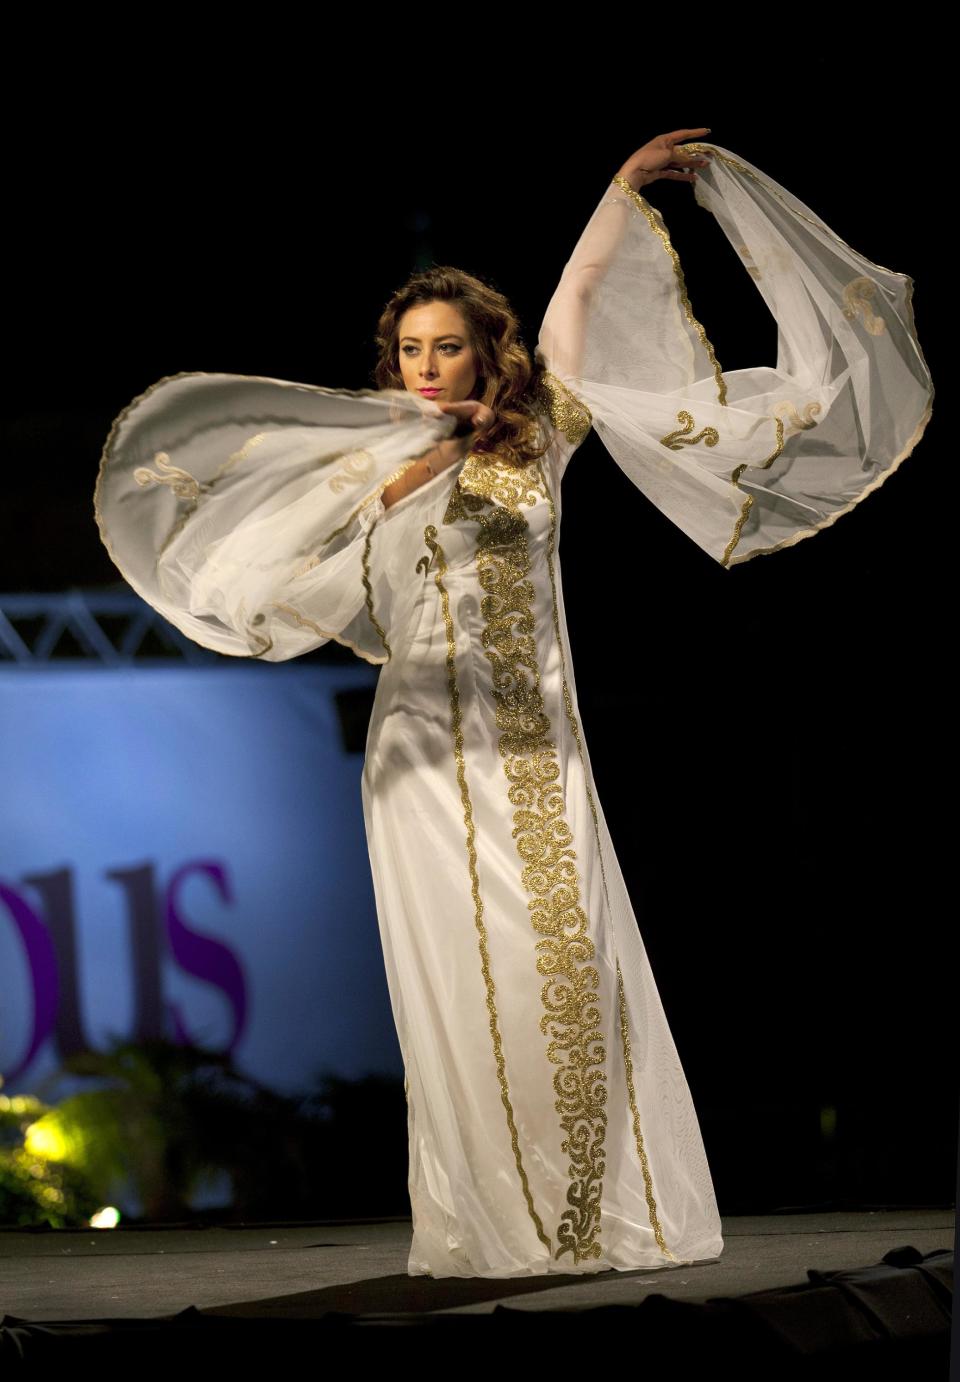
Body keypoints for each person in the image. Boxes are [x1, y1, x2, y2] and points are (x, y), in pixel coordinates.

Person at [93, 129, 932, 1279]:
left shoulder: (542, 438)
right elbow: (255, 560)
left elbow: (578, 296)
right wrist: (394, 478)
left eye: (446, 346)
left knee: (562, 966)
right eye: (408, 350)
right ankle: (496, 1226)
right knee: (465, 980)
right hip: (422, 759)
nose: (426, 365)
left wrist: (623, 190)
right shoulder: (369, 464)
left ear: (489, 353)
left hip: (541, 749)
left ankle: (590, 1214)